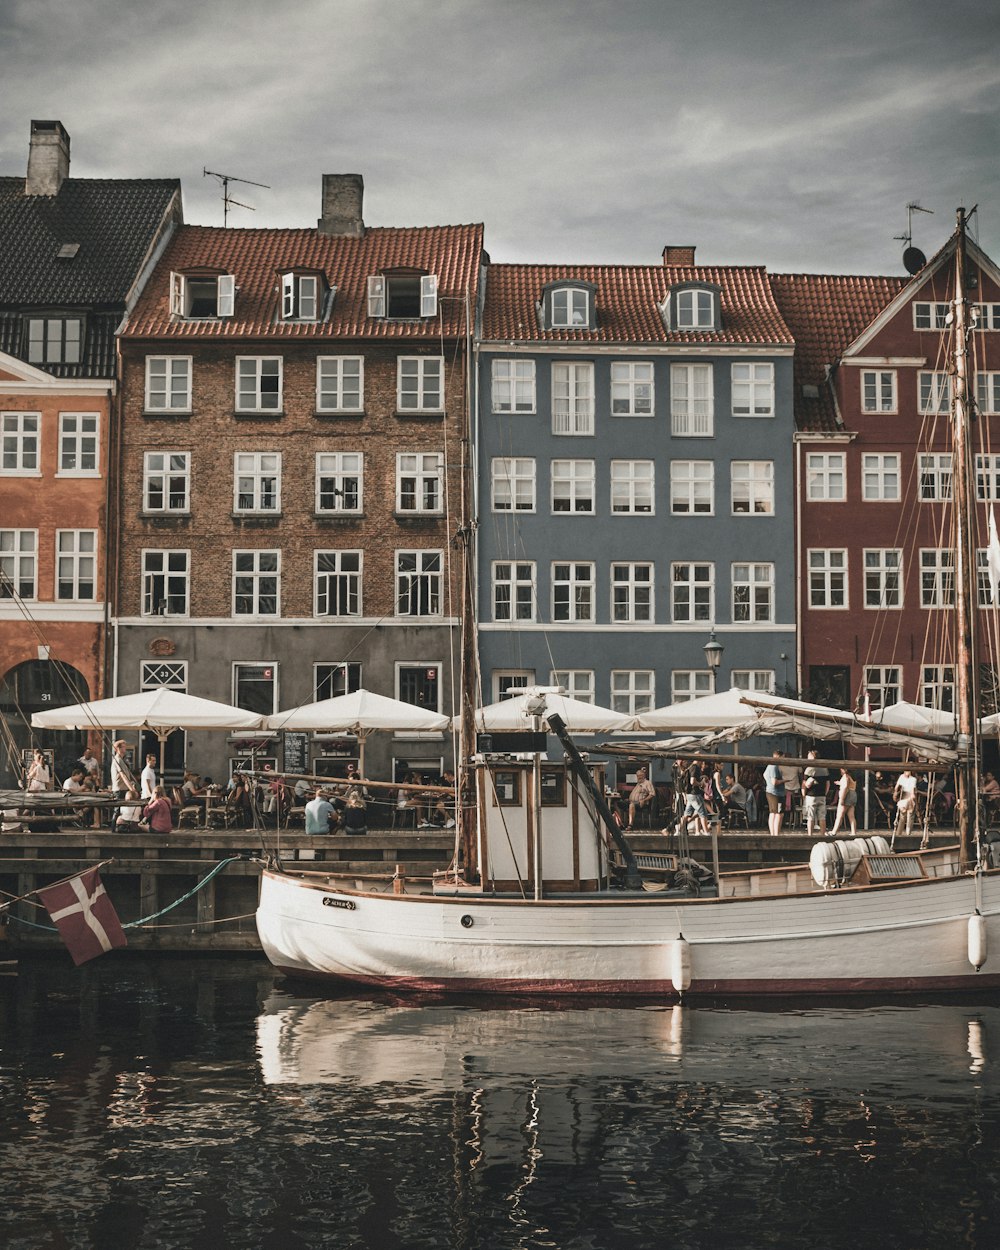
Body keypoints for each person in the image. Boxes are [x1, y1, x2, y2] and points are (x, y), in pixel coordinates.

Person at [802, 750, 829, 837]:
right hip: (822, 795)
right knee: (822, 816)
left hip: (811, 795)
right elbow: (827, 783)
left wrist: (804, 795)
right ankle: (822, 834)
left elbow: (804, 784)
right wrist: (825, 793)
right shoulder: (824, 768)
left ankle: (810, 834)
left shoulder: (809, 769)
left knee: (810, 817)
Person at [679, 760, 709, 836]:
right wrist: (700, 784)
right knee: (702, 812)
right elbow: (692, 781)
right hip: (695, 793)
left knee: (686, 814)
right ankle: (706, 831)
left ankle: (679, 829)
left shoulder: (689, 767)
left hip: (689, 794)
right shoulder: (695, 768)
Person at [829, 767, 858, 836]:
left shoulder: (846, 777)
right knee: (851, 815)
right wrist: (840, 783)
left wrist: (842, 799)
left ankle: (834, 832)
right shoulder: (852, 777)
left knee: (839, 815)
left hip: (847, 796)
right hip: (853, 794)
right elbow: (849, 785)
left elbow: (845, 787)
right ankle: (853, 832)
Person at [763, 752, 785, 836]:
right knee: (778, 813)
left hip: (771, 791)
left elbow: (764, 775)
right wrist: (785, 780)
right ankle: (775, 834)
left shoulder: (770, 766)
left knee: (773, 812)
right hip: (776, 792)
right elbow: (774, 782)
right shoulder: (774, 766)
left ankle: (773, 833)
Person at [893, 767, 918, 836]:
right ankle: (904, 833)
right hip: (905, 796)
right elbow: (897, 787)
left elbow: (896, 787)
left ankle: (901, 833)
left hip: (905, 797)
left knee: (905, 816)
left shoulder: (911, 779)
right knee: (906, 815)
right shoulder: (908, 778)